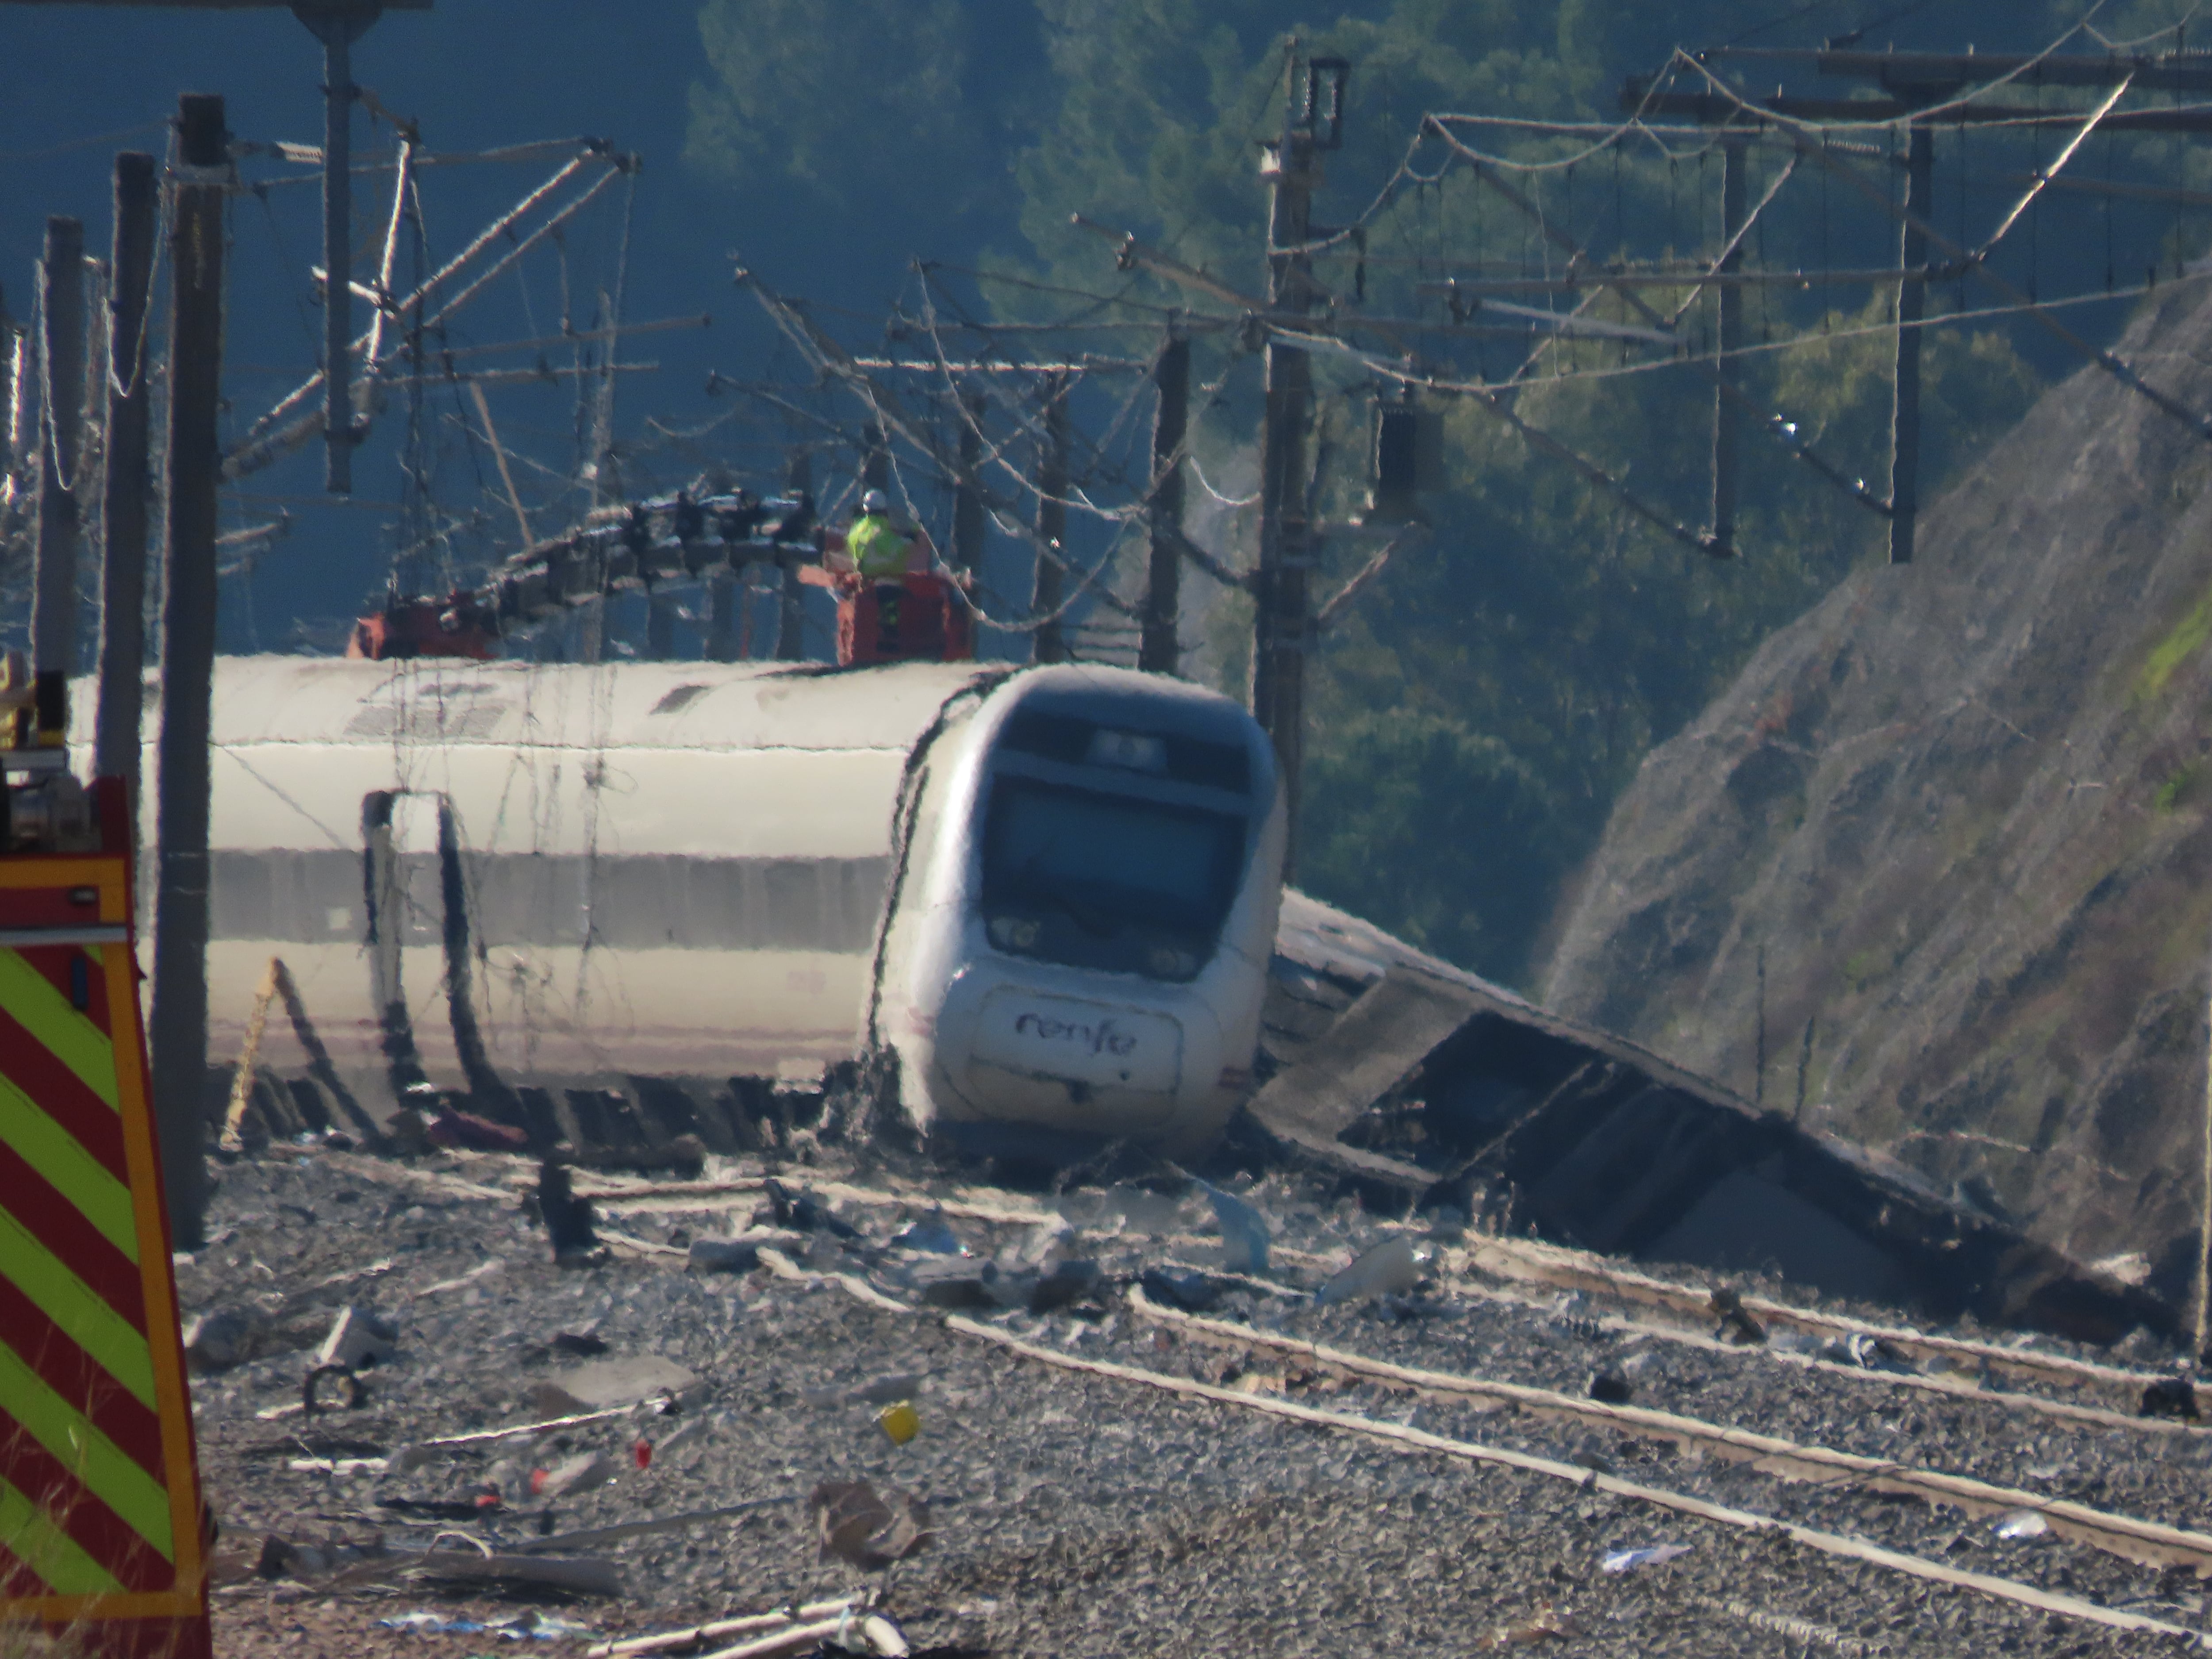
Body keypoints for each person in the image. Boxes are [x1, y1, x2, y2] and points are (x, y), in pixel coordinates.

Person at [840, 488, 922, 579]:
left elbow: (850, 543)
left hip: (864, 575)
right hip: (885, 578)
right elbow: (899, 548)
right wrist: (912, 536)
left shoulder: (857, 529)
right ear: (884, 510)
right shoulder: (879, 531)